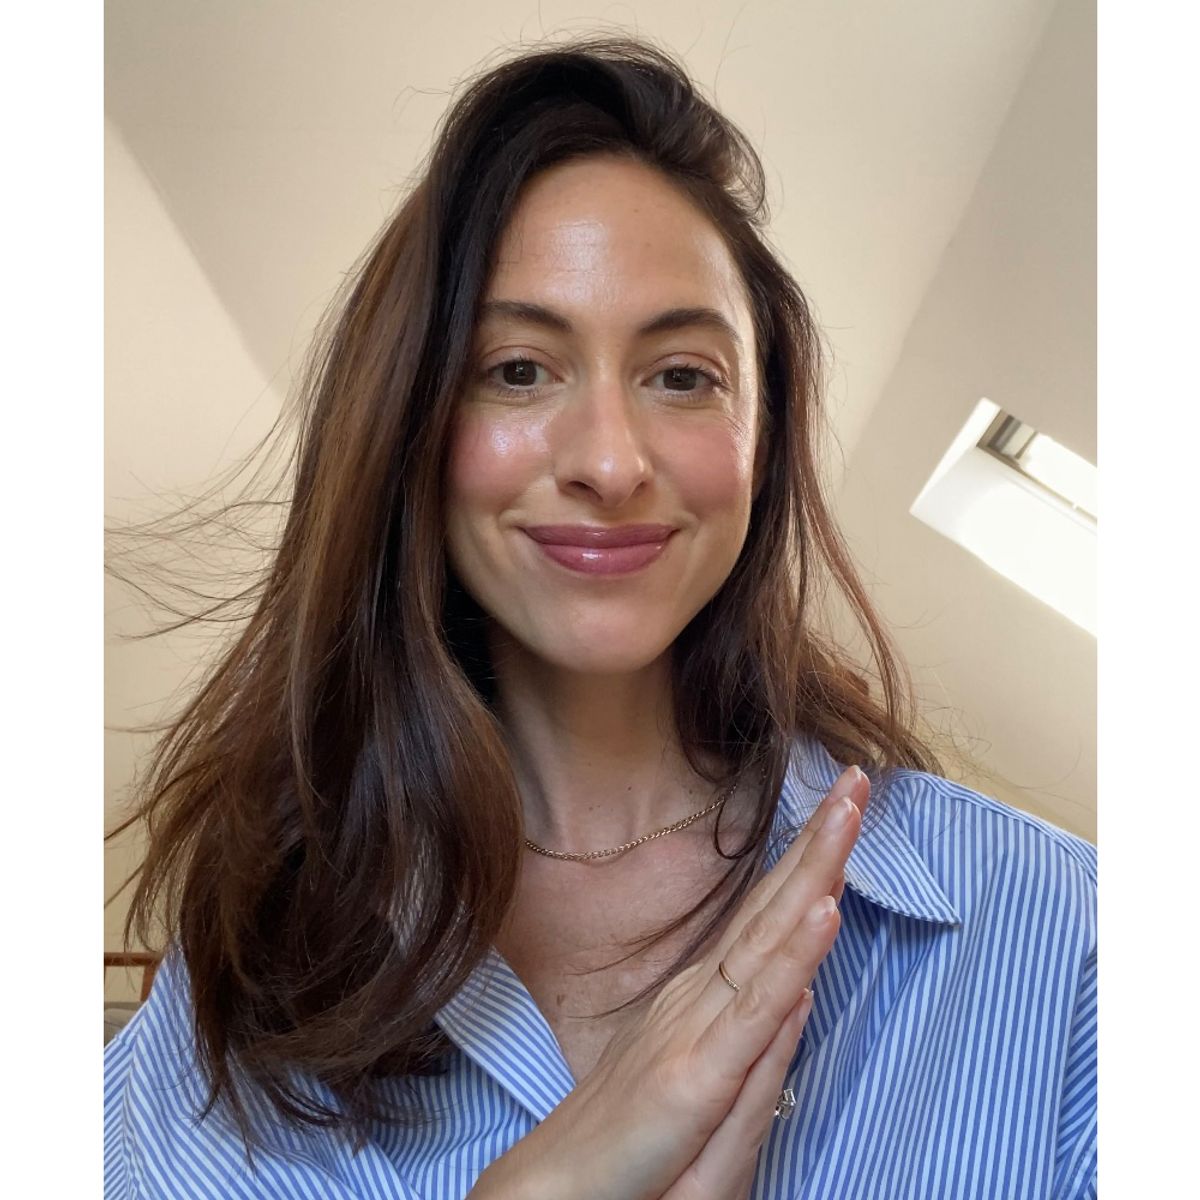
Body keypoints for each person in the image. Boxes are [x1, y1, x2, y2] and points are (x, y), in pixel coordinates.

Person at [103, 36, 1097, 1200]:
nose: (611, 462)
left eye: (683, 376)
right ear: (407, 425)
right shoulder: (244, 970)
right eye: (518, 370)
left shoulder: (1062, 937)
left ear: (764, 434)